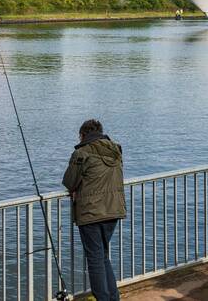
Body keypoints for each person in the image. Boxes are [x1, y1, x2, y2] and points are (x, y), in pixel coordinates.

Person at [63, 119, 126, 301]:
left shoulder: (81, 153)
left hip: (90, 213)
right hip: (113, 210)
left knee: (95, 260)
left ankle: (104, 298)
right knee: (103, 256)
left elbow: (69, 182)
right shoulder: (115, 151)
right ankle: (113, 298)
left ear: (83, 135)